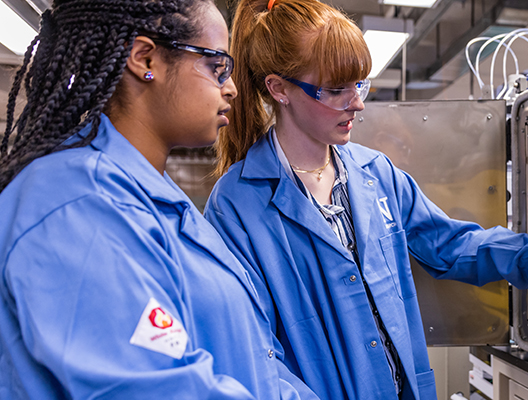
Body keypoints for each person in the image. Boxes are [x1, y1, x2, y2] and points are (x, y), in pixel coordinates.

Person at [204, 0, 528, 399]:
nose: (357, 104)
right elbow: (250, 347)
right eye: (336, 90)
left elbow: (450, 245)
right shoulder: (239, 205)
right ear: (279, 88)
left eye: (360, 85)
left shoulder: (375, 174)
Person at [0, 0, 318, 398]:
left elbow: (254, 358)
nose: (232, 88)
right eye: (215, 66)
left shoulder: (154, 192)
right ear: (145, 58)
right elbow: (157, 388)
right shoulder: (76, 203)